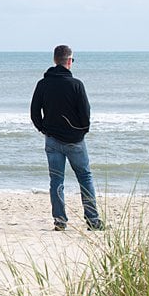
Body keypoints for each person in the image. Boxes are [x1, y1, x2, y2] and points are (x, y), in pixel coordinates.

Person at [29, 45, 105, 231]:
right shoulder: (76, 84)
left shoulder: (43, 84)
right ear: (69, 61)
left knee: (56, 180)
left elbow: (34, 112)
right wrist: (81, 132)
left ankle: (60, 221)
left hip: (53, 139)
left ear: (55, 61)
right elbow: (85, 113)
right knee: (85, 178)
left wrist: (43, 129)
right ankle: (93, 221)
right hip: (75, 140)